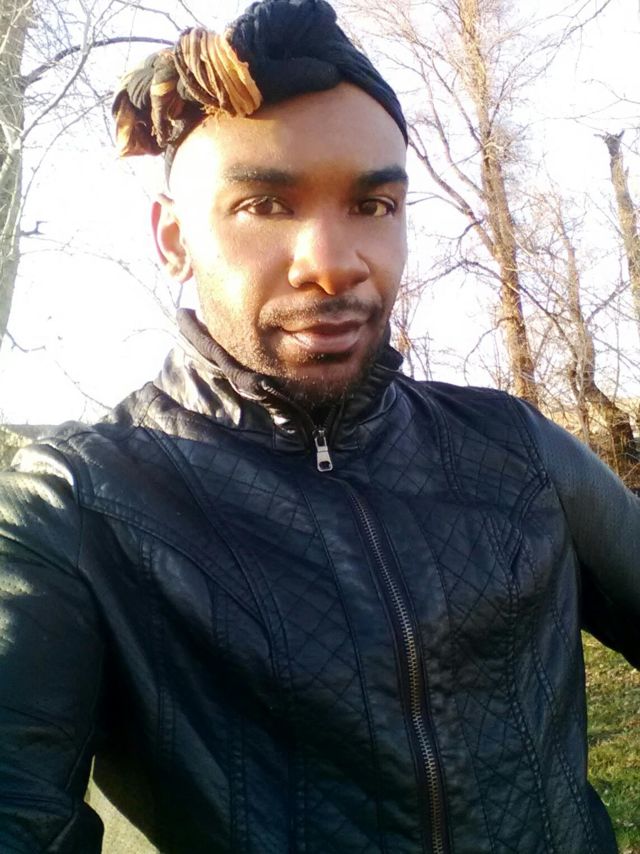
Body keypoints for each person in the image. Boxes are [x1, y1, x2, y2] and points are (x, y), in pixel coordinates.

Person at [0, 0, 638, 851]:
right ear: (174, 238)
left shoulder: (516, 450)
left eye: (372, 205)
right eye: (265, 205)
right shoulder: (78, 507)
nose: (333, 264)